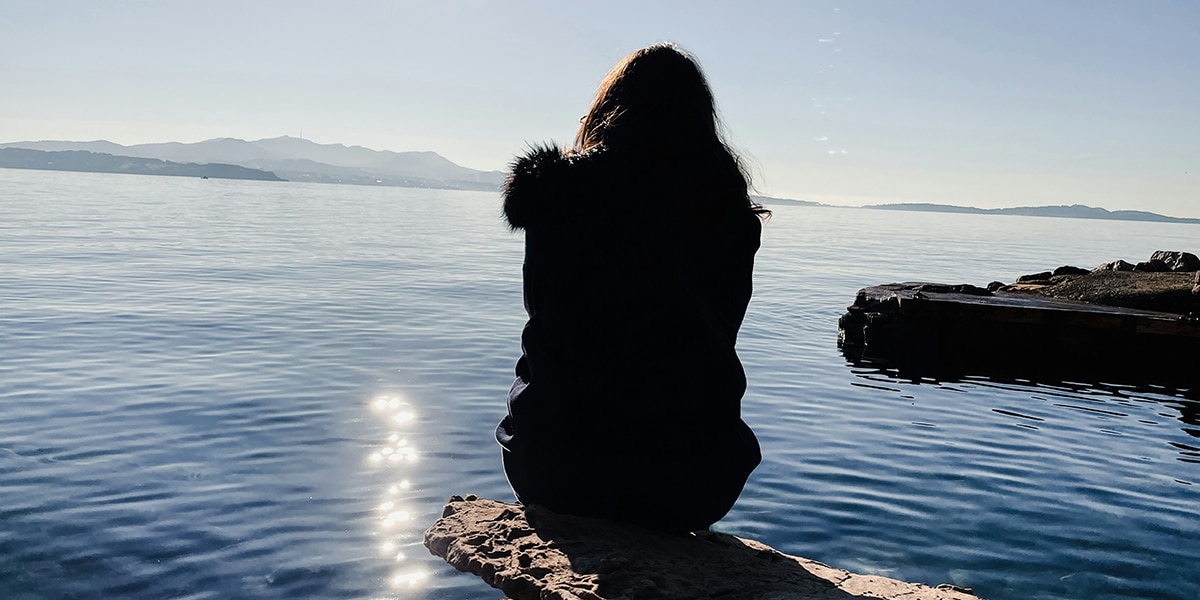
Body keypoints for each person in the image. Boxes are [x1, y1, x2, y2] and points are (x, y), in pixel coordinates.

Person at [495, 43, 769, 533]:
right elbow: (722, 330)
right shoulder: (727, 212)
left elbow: (543, 312)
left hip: (556, 468)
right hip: (693, 481)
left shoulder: (556, 192)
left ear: (607, 109)